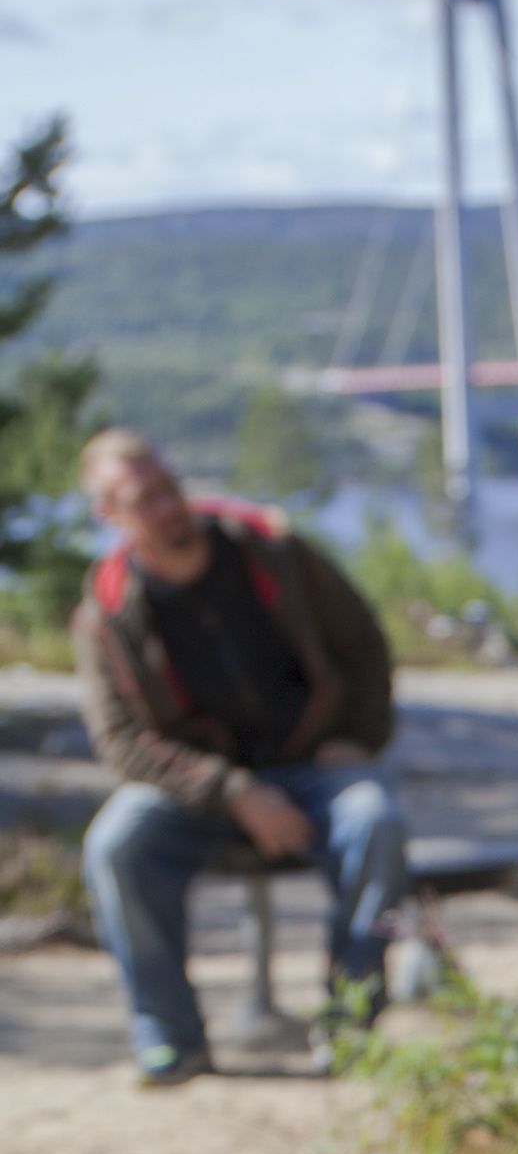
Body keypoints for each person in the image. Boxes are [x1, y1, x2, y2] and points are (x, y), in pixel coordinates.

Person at [72, 428, 407, 1084]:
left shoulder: (275, 554)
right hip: (199, 790)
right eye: (146, 500)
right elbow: (122, 743)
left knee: (376, 820)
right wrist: (233, 791)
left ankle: (351, 1025)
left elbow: (365, 642)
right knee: (116, 845)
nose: (169, 508)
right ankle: (168, 1038)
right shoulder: (107, 615)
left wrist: (358, 737)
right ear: (110, 516)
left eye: (169, 488)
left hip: (313, 766)